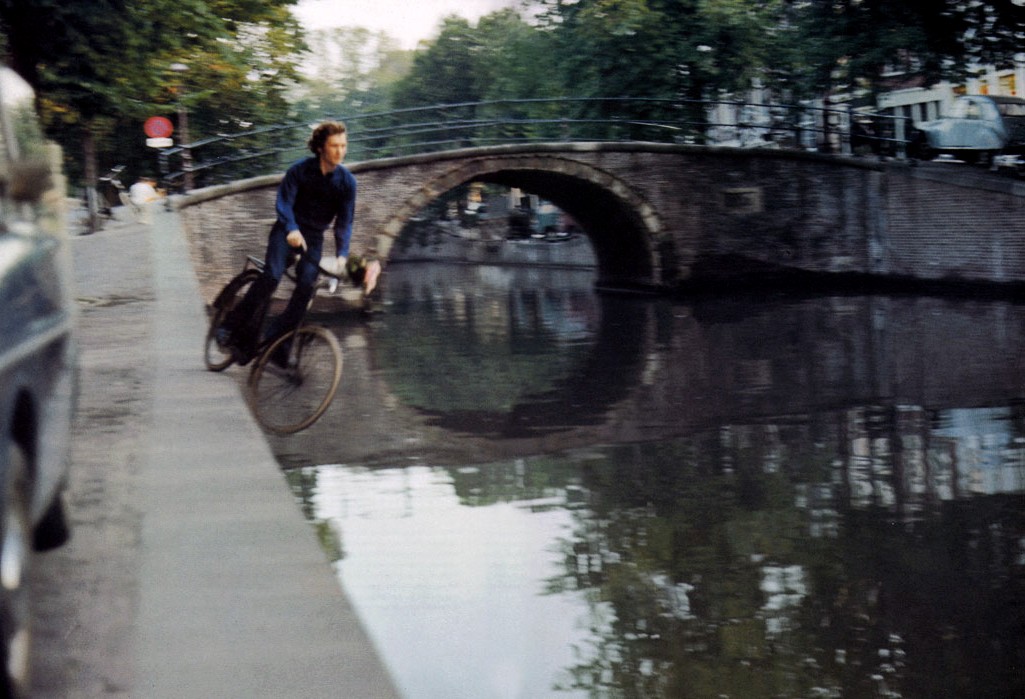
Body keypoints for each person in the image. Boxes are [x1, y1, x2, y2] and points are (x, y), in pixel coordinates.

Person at [217, 120, 379, 364]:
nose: (340, 151)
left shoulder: (347, 183)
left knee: (306, 287)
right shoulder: (299, 171)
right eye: (334, 145)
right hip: (287, 230)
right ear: (320, 148)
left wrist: (342, 255)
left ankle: (278, 346)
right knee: (272, 276)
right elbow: (284, 203)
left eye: (344, 145)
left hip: (313, 238)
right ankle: (230, 325)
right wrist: (291, 228)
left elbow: (344, 222)